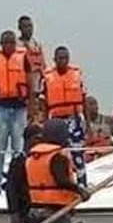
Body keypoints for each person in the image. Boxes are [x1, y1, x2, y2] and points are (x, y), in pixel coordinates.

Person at [24, 118, 91, 223]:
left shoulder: (33, 156)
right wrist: (81, 191)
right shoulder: (57, 156)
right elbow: (61, 181)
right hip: (55, 214)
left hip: (35, 211)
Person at [0, 30, 32, 195]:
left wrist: (31, 110)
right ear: (1, 44)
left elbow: (30, 84)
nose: (9, 45)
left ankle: (17, 184)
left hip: (20, 108)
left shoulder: (23, 58)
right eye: (5, 42)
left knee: (18, 150)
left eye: (12, 42)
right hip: (1, 108)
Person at [42, 46, 88, 186]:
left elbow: (84, 98)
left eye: (66, 58)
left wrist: (88, 124)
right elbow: (43, 102)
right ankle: (59, 183)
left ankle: (82, 183)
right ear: (54, 59)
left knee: (77, 151)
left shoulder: (77, 74)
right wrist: (44, 123)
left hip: (74, 119)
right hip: (55, 120)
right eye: (60, 58)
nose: (63, 61)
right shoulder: (47, 77)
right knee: (56, 153)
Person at [5, 123, 43, 223]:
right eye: (37, 138)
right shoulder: (19, 161)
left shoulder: (39, 159)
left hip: (39, 211)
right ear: (28, 139)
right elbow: (11, 189)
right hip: (23, 213)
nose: (40, 142)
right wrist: (14, 214)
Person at [17, 15, 46, 116]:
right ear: (20, 28)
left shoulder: (37, 44)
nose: (29, 29)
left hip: (37, 88)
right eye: (25, 26)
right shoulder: (16, 45)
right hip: (22, 90)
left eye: (30, 26)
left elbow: (43, 65)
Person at [84, 96, 113, 161]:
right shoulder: (82, 124)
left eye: (94, 104)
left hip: (106, 155)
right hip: (89, 157)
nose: (93, 107)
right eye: (90, 104)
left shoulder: (108, 120)